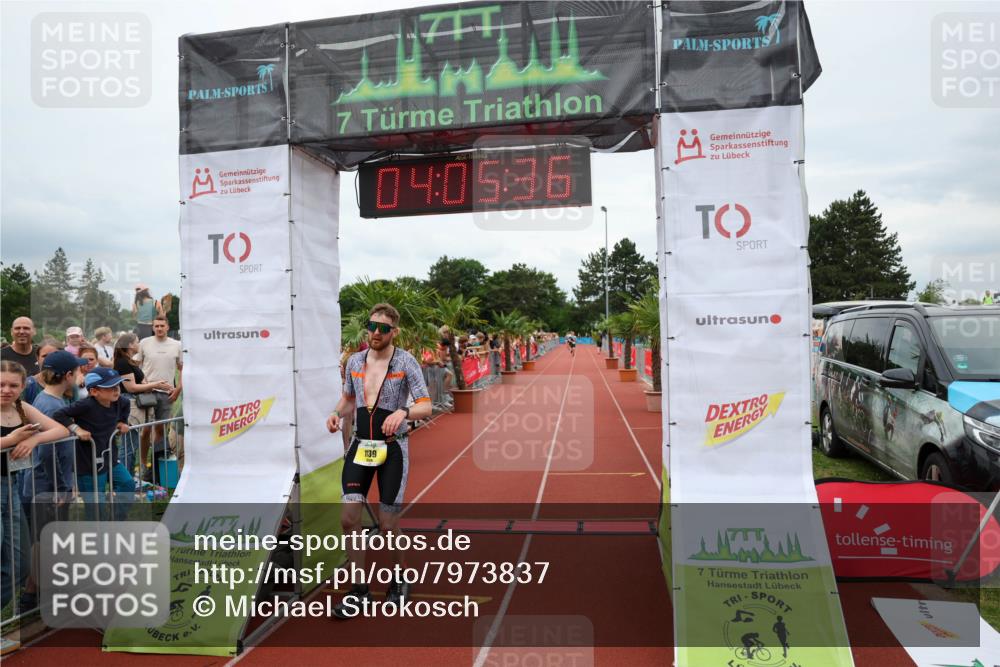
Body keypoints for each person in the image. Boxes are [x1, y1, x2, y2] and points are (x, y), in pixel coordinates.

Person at [325, 303, 432, 618]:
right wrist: (334, 414)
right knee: (348, 519)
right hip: (360, 445)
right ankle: (359, 590)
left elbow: (426, 404)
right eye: (372, 326)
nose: (375, 332)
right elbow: (348, 399)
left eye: (383, 328)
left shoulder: (405, 361)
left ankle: (400, 579)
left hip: (392, 448)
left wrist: (404, 411)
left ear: (393, 332)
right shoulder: (355, 361)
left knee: (387, 525)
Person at [0, 361, 71, 609]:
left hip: (10, 487)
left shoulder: (21, 408)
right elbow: (10, 441)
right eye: (1, 384)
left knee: (20, 563)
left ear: (23, 386)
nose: (6, 390)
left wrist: (34, 440)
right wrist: (10, 440)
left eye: (13, 385)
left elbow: (61, 430)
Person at [51, 368, 133, 520]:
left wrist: (122, 422)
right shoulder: (85, 405)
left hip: (110, 458)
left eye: (118, 385)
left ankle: (116, 519)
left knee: (127, 484)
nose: (117, 390)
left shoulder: (121, 401)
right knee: (96, 503)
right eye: (110, 387)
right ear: (94, 391)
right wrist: (77, 429)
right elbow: (59, 414)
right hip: (88, 463)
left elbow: (125, 407)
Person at [114, 333, 172, 481]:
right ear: (130, 345)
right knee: (128, 447)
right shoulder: (122, 363)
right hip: (130, 403)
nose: (139, 344)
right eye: (137, 342)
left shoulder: (129, 361)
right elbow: (131, 387)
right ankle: (126, 479)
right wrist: (155, 384)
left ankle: (130, 477)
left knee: (131, 445)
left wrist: (151, 385)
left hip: (134, 403)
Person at [134, 316, 182, 469]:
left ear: (168, 327)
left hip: (167, 393)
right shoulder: (144, 343)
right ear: (153, 327)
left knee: (161, 429)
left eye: (162, 325)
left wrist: (177, 390)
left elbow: (183, 369)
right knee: (146, 429)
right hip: (147, 391)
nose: (159, 328)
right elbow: (136, 365)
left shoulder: (177, 345)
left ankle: (157, 465)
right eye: (156, 326)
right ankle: (142, 463)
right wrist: (141, 384)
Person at [21, 339, 61, 405]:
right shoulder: (27, 385)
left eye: (54, 355)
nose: (49, 359)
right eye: (44, 356)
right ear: (37, 358)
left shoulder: (69, 383)